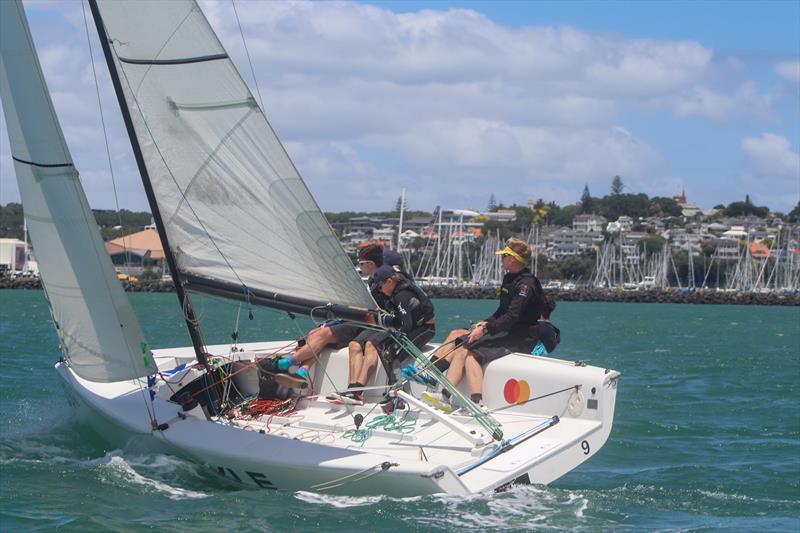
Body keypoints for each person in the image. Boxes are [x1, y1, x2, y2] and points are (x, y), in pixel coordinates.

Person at [422, 237, 543, 410]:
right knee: (457, 333)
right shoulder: (510, 278)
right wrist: (484, 323)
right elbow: (502, 312)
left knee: (467, 348)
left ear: (513, 258)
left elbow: (512, 317)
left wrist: (485, 329)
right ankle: (431, 375)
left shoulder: (527, 284)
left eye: (504, 256)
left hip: (519, 337)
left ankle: (458, 398)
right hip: (505, 330)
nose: (501, 259)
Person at [264, 244, 384, 388]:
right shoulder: (372, 281)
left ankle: (285, 363)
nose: (359, 267)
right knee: (314, 333)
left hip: (364, 324)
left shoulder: (382, 282)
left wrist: (357, 308)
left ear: (370, 264)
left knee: (323, 335)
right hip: (354, 319)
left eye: (361, 264)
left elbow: (380, 309)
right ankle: (303, 371)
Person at [329, 265, 435, 405]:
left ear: (390, 281)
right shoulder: (395, 293)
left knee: (390, 353)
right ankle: (393, 392)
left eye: (380, 287)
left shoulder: (401, 296)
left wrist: (393, 339)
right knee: (386, 349)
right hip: (414, 327)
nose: (380, 290)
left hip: (424, 330)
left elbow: (406, 325)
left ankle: (398, 395)